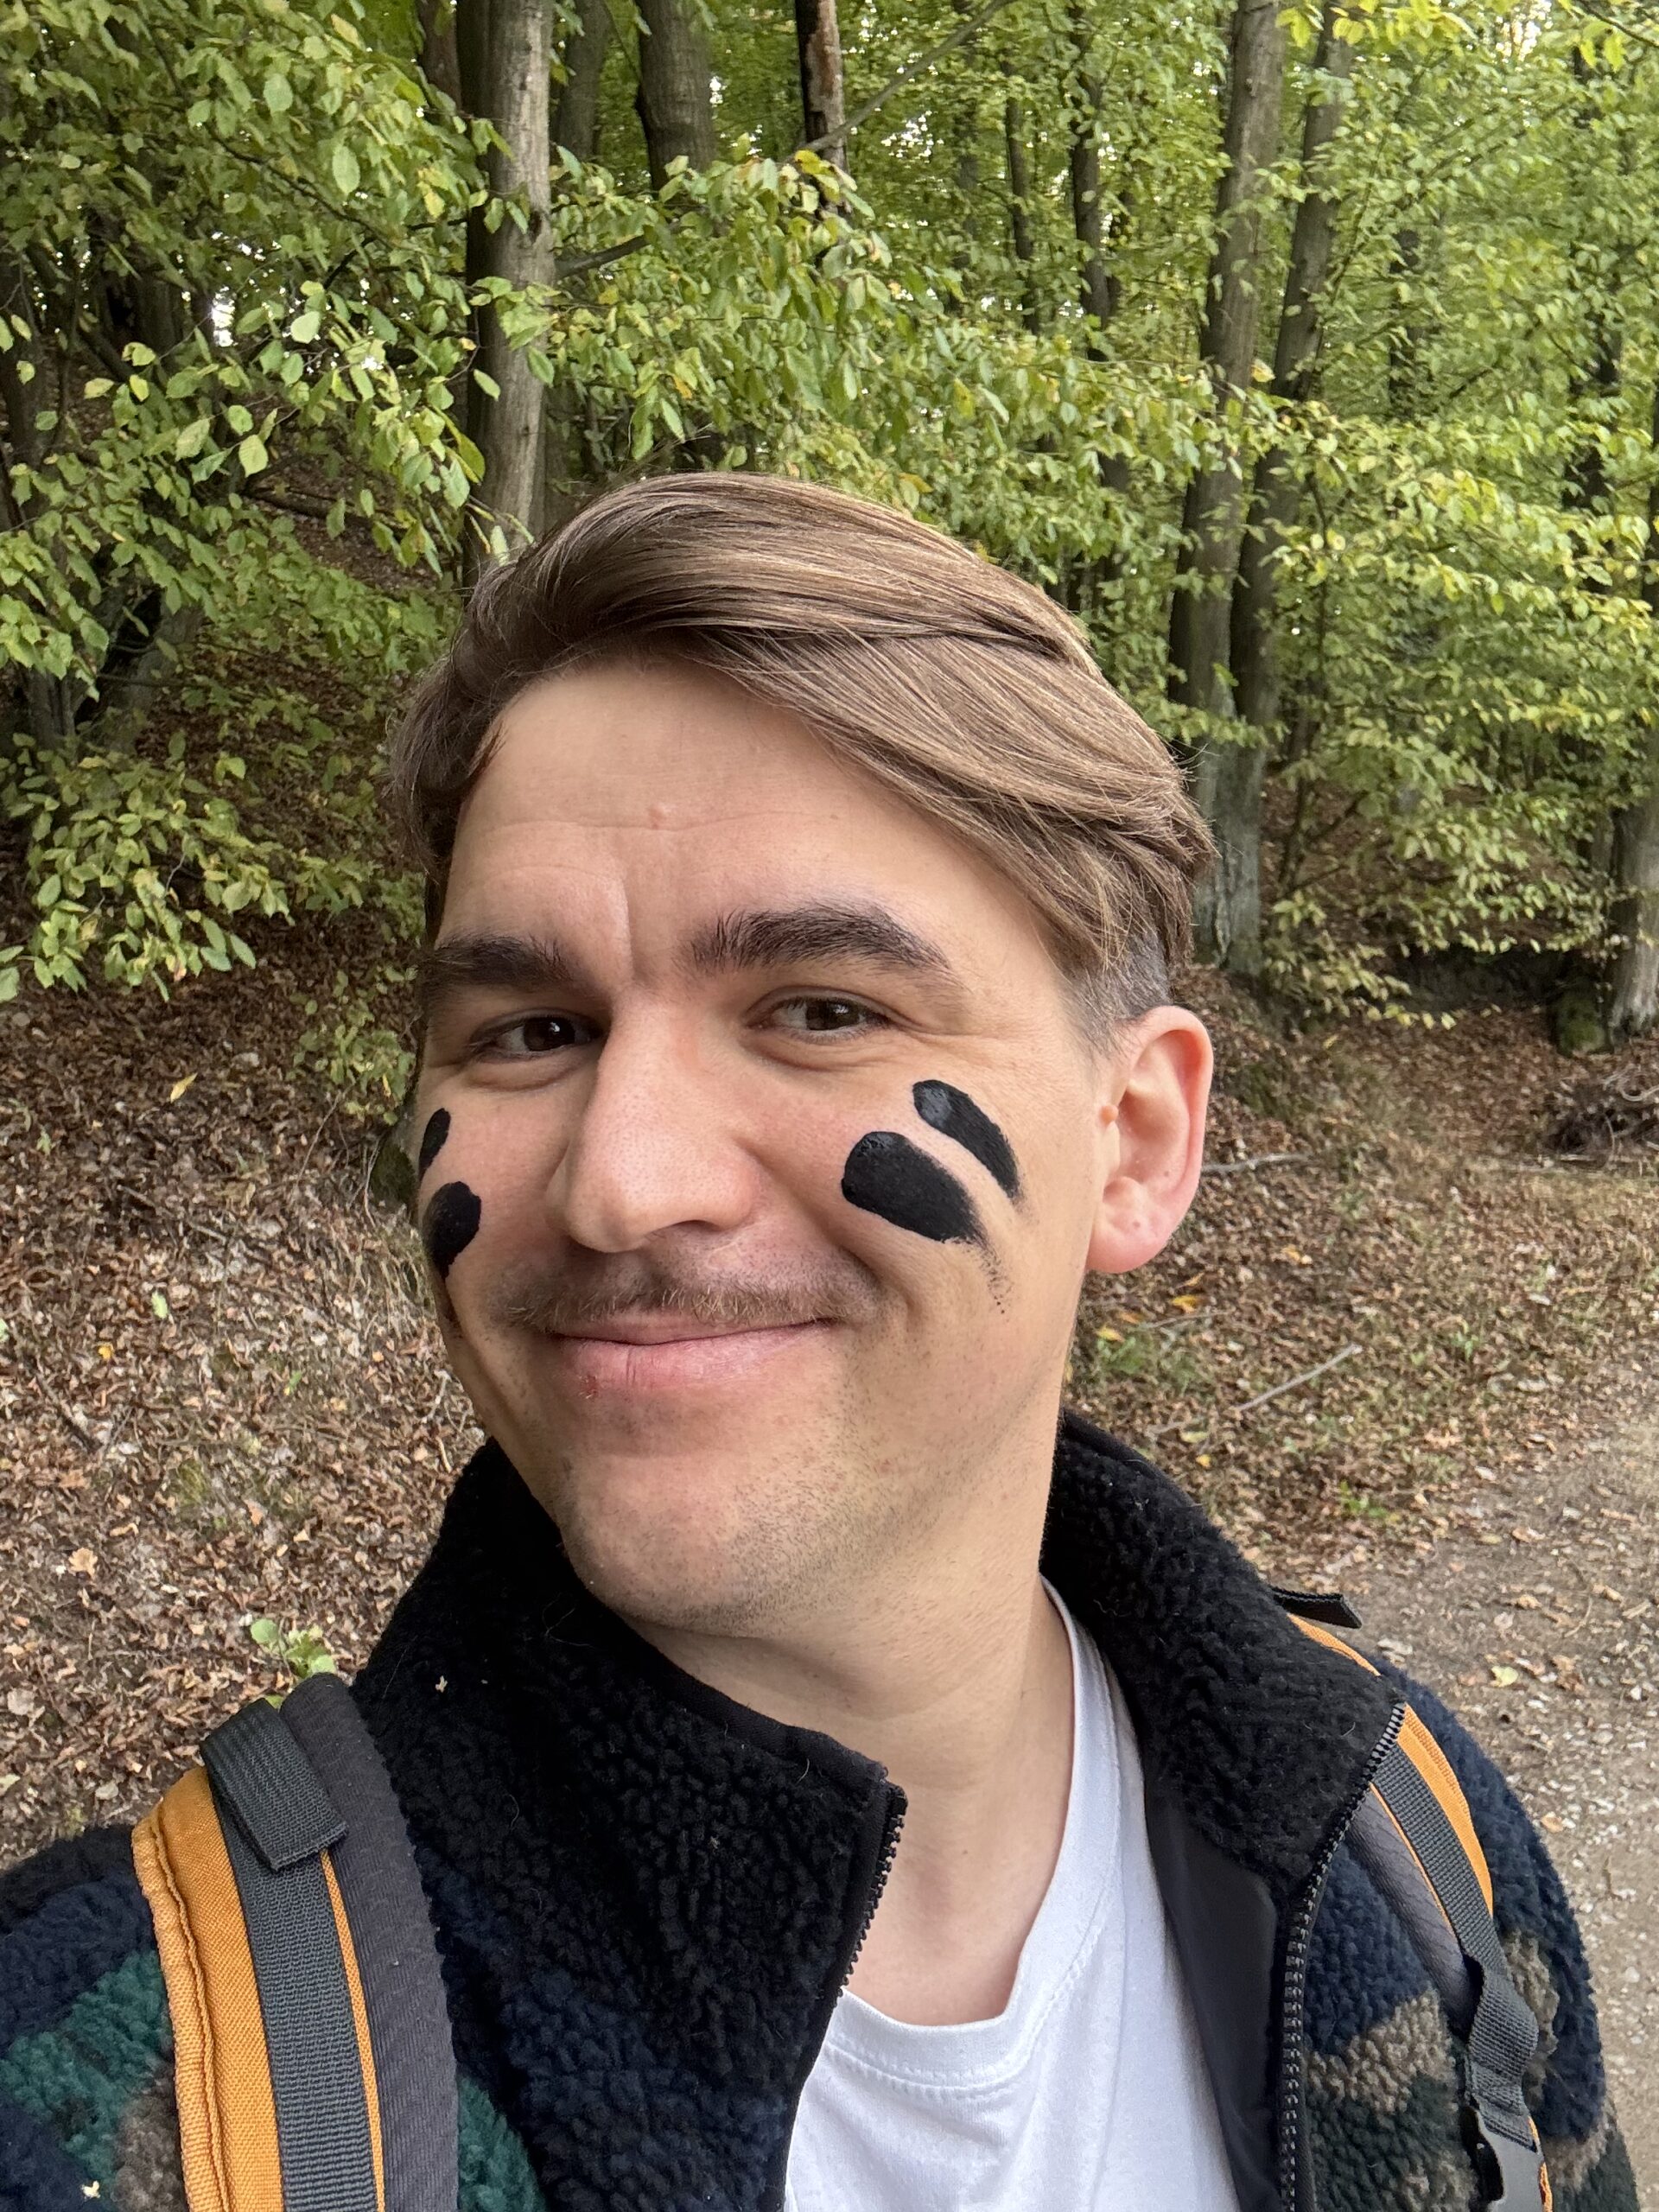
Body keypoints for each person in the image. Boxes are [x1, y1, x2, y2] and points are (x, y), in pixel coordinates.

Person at [0, 474, 1634, 2212]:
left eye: (821, 1010)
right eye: (532, 1028)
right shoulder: (120, 2083)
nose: (620, 1183)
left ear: (1137, 1142)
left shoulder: (1414, 1848)